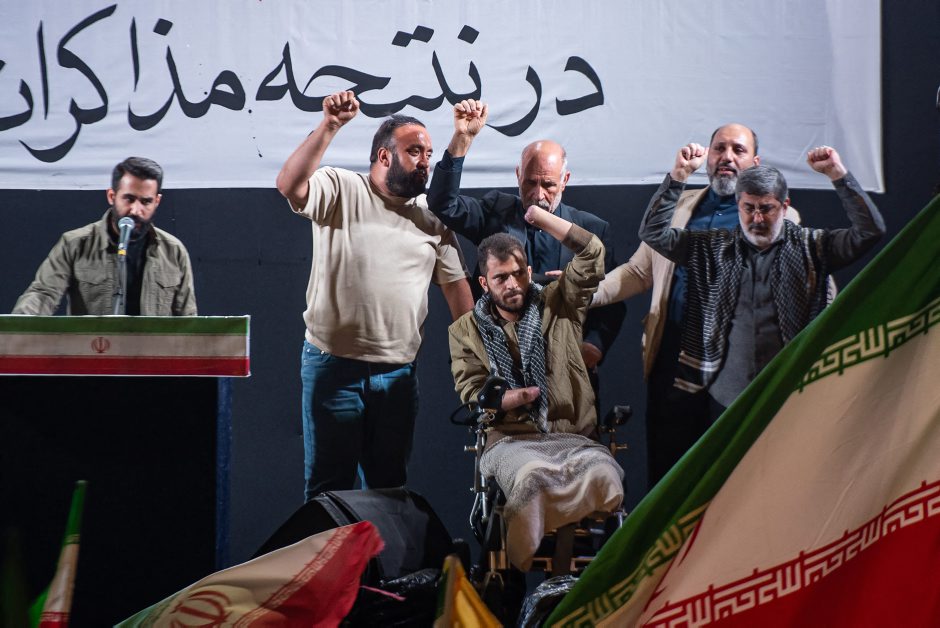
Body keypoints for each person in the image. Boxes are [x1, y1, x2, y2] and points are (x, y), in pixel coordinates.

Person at [276, 90, 474, 501]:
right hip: (333, 369)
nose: (425, 161)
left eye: (429, 153)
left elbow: (459, 293)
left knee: (389, 494)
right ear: (384, 156)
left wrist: (479, 362)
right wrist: (330, 125)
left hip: (397, 376)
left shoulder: (432, 217)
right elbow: (289, 185)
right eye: (414, 151)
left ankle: (380, 551)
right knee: (328, 496)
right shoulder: (340, 187)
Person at [592, 124, 807, 486]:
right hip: (672, 361)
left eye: (738, 150)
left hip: (737, 366)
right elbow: (638, 271)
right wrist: (581, 293)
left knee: (733, 475)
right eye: (719, 148)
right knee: (669, 474)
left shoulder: (778, 218)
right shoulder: (679, 206)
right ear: (707, 156)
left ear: (755, 163)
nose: (727, 157)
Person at [638, 147, 885, 423]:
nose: (757, 219)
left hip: (793, 392)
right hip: (725, 398)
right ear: (738, 205)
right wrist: (679, 175)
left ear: (784, 206)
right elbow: (653, 233)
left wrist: (837, 174)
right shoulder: (712, 248)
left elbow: (870, 231)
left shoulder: (813, 247)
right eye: (749, 208)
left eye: (766, 208)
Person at [449, 204, 623, 571]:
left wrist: (541, 218)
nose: (512, 285)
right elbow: (471, 390)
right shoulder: (465, 331)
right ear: (484, 283)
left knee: (606, 477)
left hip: (572, 435)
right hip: (512, 440)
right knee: (532, 478)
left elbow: (592, 253)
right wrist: (513, 398)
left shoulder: (560, 302)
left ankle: (576, 570)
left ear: (529, 272)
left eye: (518, 274)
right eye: (501, 278)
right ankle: (519, 563)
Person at [427, 100, 625, 402]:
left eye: (548, 184)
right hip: (500, 369)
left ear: (565, 181)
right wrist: (462, 140)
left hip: (568, 373)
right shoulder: (495, 210)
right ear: (518, 175)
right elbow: (442, 203)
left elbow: (612, 303)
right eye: (530, 182)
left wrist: (593, 347)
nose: (538, 194)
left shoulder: (591, 232)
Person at [13, 157, 196, 316]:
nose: (135, 210)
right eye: (129, 199)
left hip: (153, 347)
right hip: (94, 346)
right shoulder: (75, 244)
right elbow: (43, 294)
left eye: (146, 201)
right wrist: (16, 330)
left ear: (157, 201)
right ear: (111, 196)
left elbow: (188, 320)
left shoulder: (174, 251)